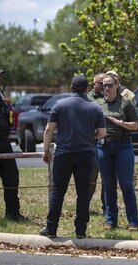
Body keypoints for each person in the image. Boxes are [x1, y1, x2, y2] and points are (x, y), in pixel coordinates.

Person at [40, 75, 106, 239]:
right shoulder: (95, 108)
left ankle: (51, 228)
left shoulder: (60, 105)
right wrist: (91, 137)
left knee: (58, 192)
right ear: (86, 89)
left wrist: (46, 150)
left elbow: (49, 129)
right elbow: (102, 133)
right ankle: (80, 230)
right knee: (83, 193)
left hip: (64, 153)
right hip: (85, 154)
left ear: (71, 88)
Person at [95, 73, 138, 231]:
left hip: (123, 146)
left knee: (126, 185)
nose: (106, 88)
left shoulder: (126, 103)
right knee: (108, 185)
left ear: (116, 85)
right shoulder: (98, 104)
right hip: (103, 146)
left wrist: (119, 123)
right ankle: (111, 220)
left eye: (109, 85)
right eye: (104, 85)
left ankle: (133, 222)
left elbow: (135, 126)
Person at [0, 69, 26, 221]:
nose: (0, 79)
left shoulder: (0, 95)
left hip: (4, 141)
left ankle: (13, 212)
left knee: (11, 177)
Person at [87, 73, 106, 212]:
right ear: (94, 84)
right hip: (92, 142)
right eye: (101, 82)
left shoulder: (110, 96)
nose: (104, 85)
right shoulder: (88, 98)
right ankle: (84, 205)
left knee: (107, 178)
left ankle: (107, 207)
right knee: (91, 178)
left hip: (107, 142)